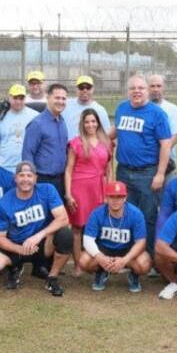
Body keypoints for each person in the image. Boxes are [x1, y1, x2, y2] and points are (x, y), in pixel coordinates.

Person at [0, 161, 75, 295]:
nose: (26, 179)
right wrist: (19, 249)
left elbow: (63, 218)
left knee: (65, 234)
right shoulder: (4, 203)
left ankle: (52, 277)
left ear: (36, 178)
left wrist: (39, 235)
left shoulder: (47, 190)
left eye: (29, 176)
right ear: (15, 178)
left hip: (40, 243)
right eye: (21, 175)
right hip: (15, 245)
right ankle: (14, 267)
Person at [111, 75, 175, 254]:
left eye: (141, 88)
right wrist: (94, 137)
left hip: (147, 172)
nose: (136, 91)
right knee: (124, 213)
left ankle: (148, 255)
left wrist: (160, 174)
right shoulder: (122, 108)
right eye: (133, 88)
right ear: (128, 91)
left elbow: (165, 144)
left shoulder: (156, 113)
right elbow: (115, 131)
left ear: (147, 91)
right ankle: (127, 253)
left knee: (148, 216)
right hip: (123, 171)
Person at [79, 181, 152, 293]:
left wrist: (125, 260)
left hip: (127, 249)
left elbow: (141, 242)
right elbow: (87, 240)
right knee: (83, 261)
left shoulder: (136, 213)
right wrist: (100, 257)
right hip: (104, 248)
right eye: (112, 197)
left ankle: (133, 274)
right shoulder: (97, 213)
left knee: (144, 264)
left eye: (119, 197)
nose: (115, 200)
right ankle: (101, 271)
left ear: (125, 197)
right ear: (106, 198)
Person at [66, 108, 112, 272]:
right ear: (82, 124)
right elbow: (69, 170)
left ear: (98, 122)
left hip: (98, 188)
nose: (90, 124)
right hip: (79, 187)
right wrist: (68, 193)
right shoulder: (76, 142)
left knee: (99, 226)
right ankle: (78, 264)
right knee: (78, 227)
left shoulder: (106, 142)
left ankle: (99, 262)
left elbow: (109, 169)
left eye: (93, 121)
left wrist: (109, 192)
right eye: (87, 122)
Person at [22, 82, 70, 198]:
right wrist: (30, 180)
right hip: (42, 179)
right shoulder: (37, 124)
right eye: (57, 98)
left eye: (63, 98)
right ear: (48, 98)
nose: (60, 101)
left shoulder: (62, 122)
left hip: (60, 180)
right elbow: (28, 153)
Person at [0, 84, 37, 173]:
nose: (18, 101)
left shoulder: (35, 116)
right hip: (4, 167)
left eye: (21, 98)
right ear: (9, 98)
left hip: (26, 168)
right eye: (15, 98)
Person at [147, 73, 177, 138]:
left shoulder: (172, 109)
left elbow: (176, 135)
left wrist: (165, 148)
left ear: (164, 88)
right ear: (147, 88)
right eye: (152, 86)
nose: (156, 89)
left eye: (159, 86)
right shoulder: (141, 108)